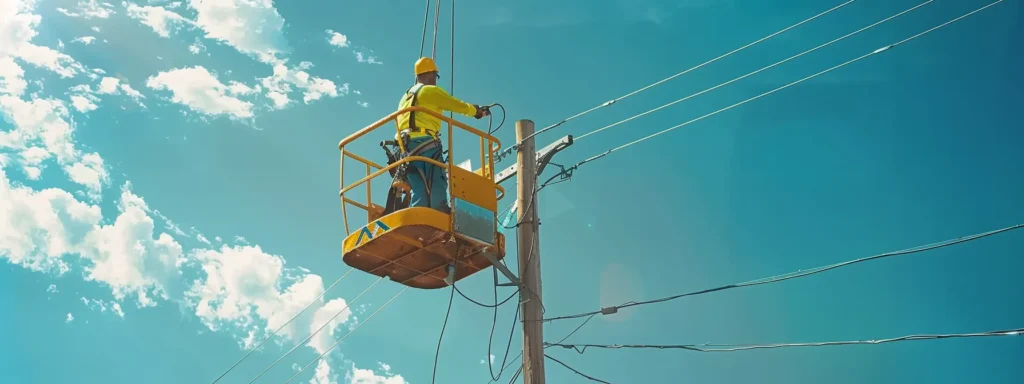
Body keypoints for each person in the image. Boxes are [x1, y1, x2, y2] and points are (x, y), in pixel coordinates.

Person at [394, 57, 490, 212]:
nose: (435, 80)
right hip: (425, 143)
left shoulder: (404, 97)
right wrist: (476, 111)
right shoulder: (430, 91)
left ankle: (419, 213)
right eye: (435, 76)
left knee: (418, 185)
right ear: (431, 74)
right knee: (437, 178)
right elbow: (456, 104)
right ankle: (440, 211)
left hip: (405, 147)